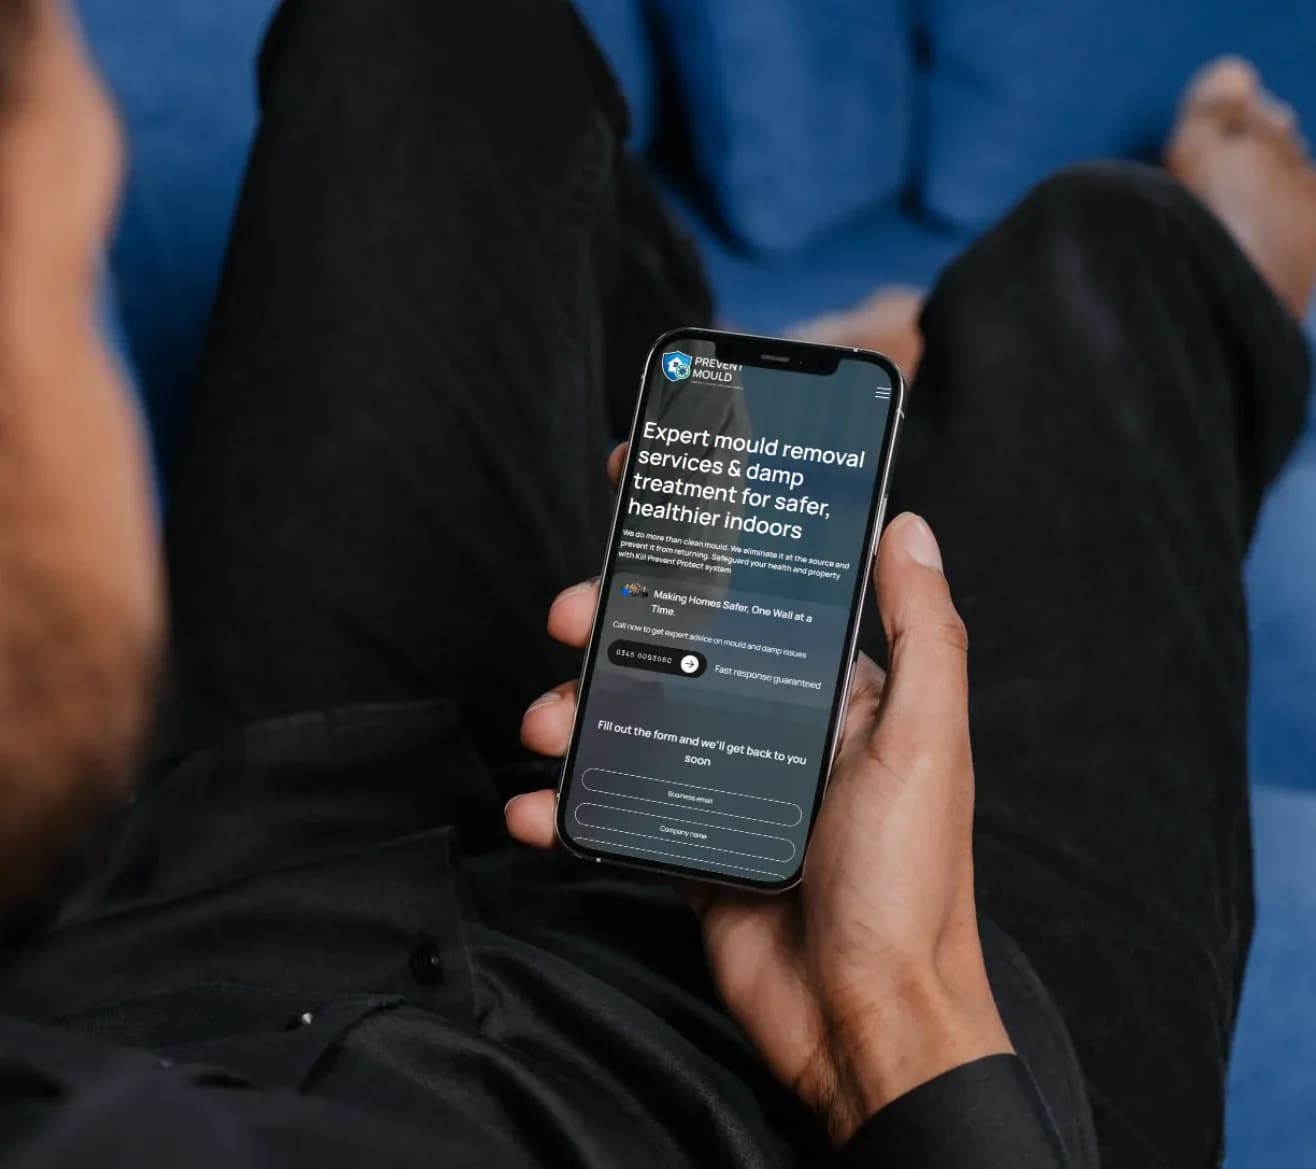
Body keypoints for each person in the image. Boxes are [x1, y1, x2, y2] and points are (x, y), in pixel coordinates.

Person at [0, 1, 1311, 1166]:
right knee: (1112, 258)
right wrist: (893, 1018)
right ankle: (1238, 275)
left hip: (265, 856)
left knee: (424, 33)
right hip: (846, 1062)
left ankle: (719, 388)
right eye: (62, 284)